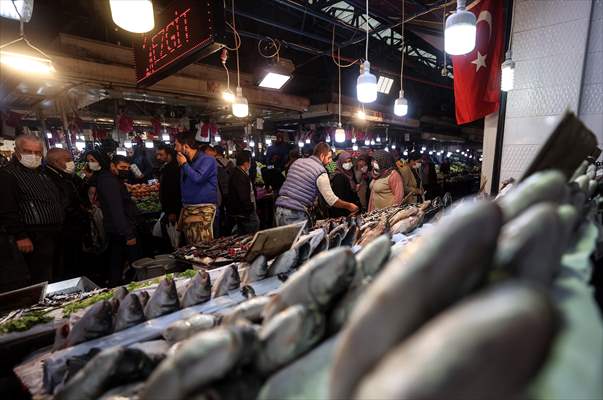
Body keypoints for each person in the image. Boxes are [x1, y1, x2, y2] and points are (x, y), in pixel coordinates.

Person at [0, 134, 64, 291]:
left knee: (52, 273)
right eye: (28, 151)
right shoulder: (7, 175)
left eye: (37, 152)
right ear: (17, 151)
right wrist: (20, 235)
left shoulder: (41, 172)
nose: (33, 156)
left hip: (51, 233)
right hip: (33, 236)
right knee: (39, 278)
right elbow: (8, 208)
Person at [275, 142, 358, 229]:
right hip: (295, 212)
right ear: (322, 156)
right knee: (301, 242)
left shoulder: (298, 162)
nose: (330, 161)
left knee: (286, 242)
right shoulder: (321, 171)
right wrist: (349, 206)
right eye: (329, 158)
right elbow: (331, 200)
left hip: (279, 209)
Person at [96, 154, 140, 286]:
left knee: (117, 260)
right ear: (112, 166)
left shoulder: (113, 179)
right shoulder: (109, 181)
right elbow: (116, 210)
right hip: (120, 230)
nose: (124, 170)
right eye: (122, 167)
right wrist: (128, 234)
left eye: (127, 168)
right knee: (130, 261)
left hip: (117, 228)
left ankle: (117, 285)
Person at [45, 148, 88, 280]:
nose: (71, 163)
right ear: (55, 162)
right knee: (67, 262)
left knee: (73, 259)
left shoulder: (64, 176)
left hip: (72, 227)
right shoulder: (50, 178)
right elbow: (65, 204)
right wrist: (80, 215)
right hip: (66, 228)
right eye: (68, 160)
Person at [175, 131, 218, 244]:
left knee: (205, 246)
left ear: (185, 146)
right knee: (192, 247)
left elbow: (198, 178)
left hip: (204, 209)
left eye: (177, 145)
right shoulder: (186, 163)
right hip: (188, 209)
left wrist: (184, 165)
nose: (175, 149)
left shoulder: (208, 160)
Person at [228, 151, 260, 234]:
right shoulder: (240, 176)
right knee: (252, 228)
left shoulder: (238, 173)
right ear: (246, 163)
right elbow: (243, 196)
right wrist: (250, 209)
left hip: (241, 210)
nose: (250, 164)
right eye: (249, 162)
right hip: (245, 211)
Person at [156, 144, 182, 225]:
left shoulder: (173, 169)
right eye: (157, 154)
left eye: (161, 155)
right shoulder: (166, 167)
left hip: (174, 210)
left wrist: (172, 211)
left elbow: (173, 191)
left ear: (169, 154)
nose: (158, 157)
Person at [330, 151, 360, 218]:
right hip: (344, 211)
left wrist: (355, 190)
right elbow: (340, 197)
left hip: (352, 207)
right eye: (345, 162)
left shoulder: (351, 172)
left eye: (349, 161)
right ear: (340, 162)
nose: (348, 164)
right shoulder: (338, 177)